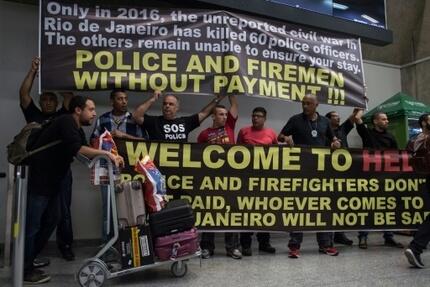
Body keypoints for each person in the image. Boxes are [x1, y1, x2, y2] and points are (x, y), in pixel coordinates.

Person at [23, 96, 124, 284]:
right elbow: (78, 148)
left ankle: (29, 258)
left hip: (53, 180)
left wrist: (107, 160)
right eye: (91, 109)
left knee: (53, 218)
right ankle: (25, 268)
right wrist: (107, 154)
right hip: (41, 179)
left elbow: (82, 154)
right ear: (78, 110)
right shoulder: (66, 121)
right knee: (33, 225)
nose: (94, 113)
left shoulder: (76, 128)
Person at [19, 57, 76, 262]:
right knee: (38, 217)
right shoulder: (34, 115)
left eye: (52, 99)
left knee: (62, 213)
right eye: (45, 99)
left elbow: (69, 95)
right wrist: (33, 71)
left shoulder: (63, 115)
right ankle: (30, 257)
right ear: (41, 102)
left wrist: (56, 72)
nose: (48, 102)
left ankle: (65, 246)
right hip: (39, 174)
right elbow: (24, 94)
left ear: (57, 102)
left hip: (61, 173)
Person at [278, 94, 341, 258]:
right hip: (300, 170)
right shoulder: (295, 119)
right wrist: (287, 138)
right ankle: (294, 246)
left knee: (323, 206)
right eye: (303, 103)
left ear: (316, 105)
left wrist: (335, 143)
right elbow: (280, 136)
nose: (305, 106)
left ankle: (326, 245)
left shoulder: (325, 122)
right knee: (299, 207)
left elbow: (333, 138)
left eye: (309, 103)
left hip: (320, 171)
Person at [90, 88, 146, 242]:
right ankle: (107, 244)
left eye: (126, 99)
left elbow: (146, 143)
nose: (124, 102)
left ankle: (131, 243)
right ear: (112, 101)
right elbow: (93, 143)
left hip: (131, 171)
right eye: (120, 99)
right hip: (108, 170)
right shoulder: (102, 120)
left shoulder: (134, 120)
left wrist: (125, 136)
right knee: (108, 209)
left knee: (133, 206)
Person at [197, 95, 242, 260]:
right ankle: (207, 248)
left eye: (225, 114)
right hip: (211, 180)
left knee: (231, 213)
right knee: (209, 213)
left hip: (230, 179)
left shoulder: (230, 126)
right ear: (213, 116)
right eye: (221, 114)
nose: (224, 117)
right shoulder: (204, 135)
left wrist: (231, 90)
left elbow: (235, 105)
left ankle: (233, 248)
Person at [355, 111, 404, 249]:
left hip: (386, 177)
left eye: (387, 119)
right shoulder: (367, 133)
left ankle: (389, 237)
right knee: (368, 206)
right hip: (370, 177)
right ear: (375, 121)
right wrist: (361, 104)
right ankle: (363, 237)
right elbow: (357, 118)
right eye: (383, 119)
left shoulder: (390, 137)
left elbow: (397, 156)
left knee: (387, 207)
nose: (387, 121)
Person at [238, 107, 278, 256]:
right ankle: (246, 244)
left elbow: (278, 154)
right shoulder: (243, 131)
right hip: (247, 177)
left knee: (264, 211)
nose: (255, 118)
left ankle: (264, 243)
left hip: (265, 178)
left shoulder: (271, 133)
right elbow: (236, 153)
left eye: (259, 116)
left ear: (264, 118)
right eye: (253, 116)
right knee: (247, 211)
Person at [325, 109, 363, 246]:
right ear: (328, 119)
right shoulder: (323, 131)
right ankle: (327, 236)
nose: (338, 118)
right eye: (334, 116)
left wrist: (359, 106)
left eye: (338, 115)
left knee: (341, 204)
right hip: (328, 173)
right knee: (329, 205)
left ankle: (339, 235)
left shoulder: (342, 129)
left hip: (343, 172)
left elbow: (355, 117)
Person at [133, 91, 225, 142]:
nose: (167, 106)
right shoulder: (154, 121)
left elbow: (204, 113)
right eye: (165, 104)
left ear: (177, 108)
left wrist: (218, 99)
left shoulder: (185, 122)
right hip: (158, 166)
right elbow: (136, 116)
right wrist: (153, 99)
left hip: (179, 167)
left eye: (171, 104)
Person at [404, 113, 430, 268]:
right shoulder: (421, 138)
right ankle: (416, 247)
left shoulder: (419, 138)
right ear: (424, 123)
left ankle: (416, 247)